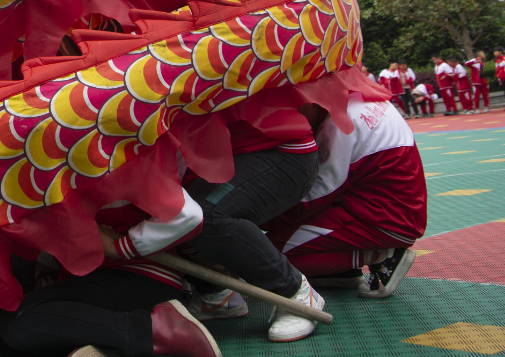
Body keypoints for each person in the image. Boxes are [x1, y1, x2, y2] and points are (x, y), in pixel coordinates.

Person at [0, 192, 221, 357]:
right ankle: (98, 342)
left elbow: (189, 215)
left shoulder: (124, 156)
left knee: (20, 321)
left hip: (144, 278)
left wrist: (118, 245)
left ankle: (155, 331)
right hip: (90, 278)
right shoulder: (45, 178)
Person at [180, 105, 325, 343]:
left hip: (277, 150)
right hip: (230, 153)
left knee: (204, 215)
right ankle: (217, 295)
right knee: (171, 213)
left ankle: (294, 291)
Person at [264, 95, 426, 299]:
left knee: (265, 255)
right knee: (268, 246)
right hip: (393, 209)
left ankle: (380, 255)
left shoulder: (338, 123)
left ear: (311, 100)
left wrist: (263, 219)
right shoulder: (357, 97)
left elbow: (318, 194)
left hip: (383, 219)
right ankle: (343, 269)